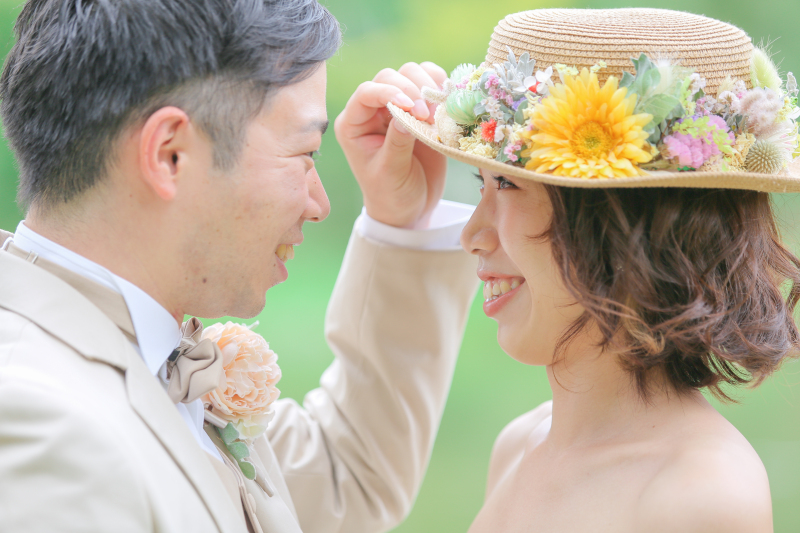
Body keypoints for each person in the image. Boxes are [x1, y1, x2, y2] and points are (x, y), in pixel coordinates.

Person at [0, 1, 477, 532]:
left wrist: (401, 223)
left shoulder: (156, 355)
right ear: (169, 154)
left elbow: (343, 482)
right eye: (305, 152)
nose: (319, 204)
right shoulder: (43, 429)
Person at [388, 7, 800, 532]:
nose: (470, 235)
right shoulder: (519, 444)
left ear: (628, 226)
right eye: (482, 184)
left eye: (510, 185)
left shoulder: (701, 496)